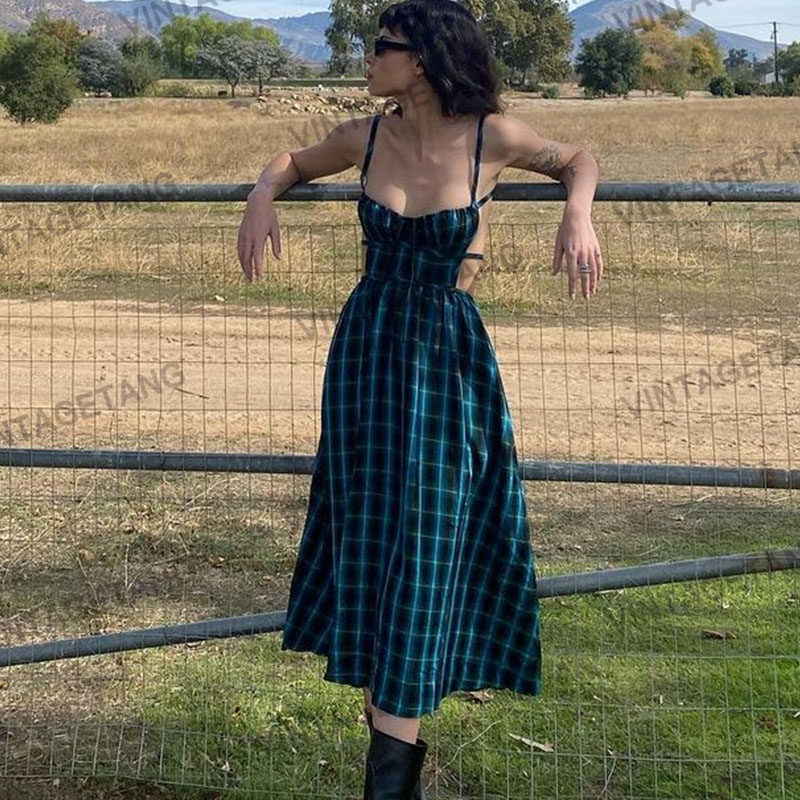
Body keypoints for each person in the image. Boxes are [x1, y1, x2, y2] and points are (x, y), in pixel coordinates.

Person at [237, 2, 603, 797]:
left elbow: (578, 158)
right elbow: (289, 161)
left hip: (447, 362)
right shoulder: (363, 137)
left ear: (426, 61)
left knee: (430, 538)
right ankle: (394, 772)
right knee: (370, 537)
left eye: (383, 46)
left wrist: (577, 213)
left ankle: (391, 776)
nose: (368, 57)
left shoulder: (492, 135)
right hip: (367, 357)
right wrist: (262, 194)